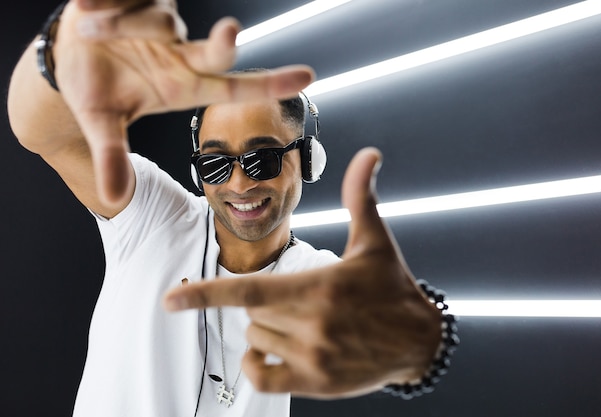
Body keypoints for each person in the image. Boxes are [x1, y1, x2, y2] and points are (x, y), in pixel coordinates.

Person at [7, 1, 458, 416]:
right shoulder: (149, 217)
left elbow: (392, 340)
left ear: (307, 159)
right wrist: (62, 50)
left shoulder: (318, 279)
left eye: (262, 157)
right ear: (197, 172)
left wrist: (420, 340)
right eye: (216, 163)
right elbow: (40, 132)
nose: (240, 183)